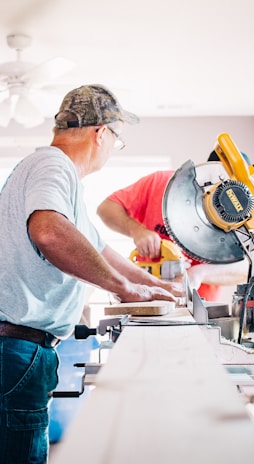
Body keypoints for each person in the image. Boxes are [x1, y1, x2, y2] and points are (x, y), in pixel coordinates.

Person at [0, 84, 183, 464]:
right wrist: (124, 289)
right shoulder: (53, 166)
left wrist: (156, 286)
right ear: (102, 133)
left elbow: (100, 249)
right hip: (15, 350)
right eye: (117, 139)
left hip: (19, 350)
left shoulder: (52, 175)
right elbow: (49, 232)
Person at [97, 154, 250, 302]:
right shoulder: (162, 183)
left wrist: (199, 273)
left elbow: (249, 268)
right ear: (205, 171)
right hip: (145, 296)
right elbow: (106, 208)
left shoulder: (242, 217)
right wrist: (137, 230)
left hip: (198, 305)